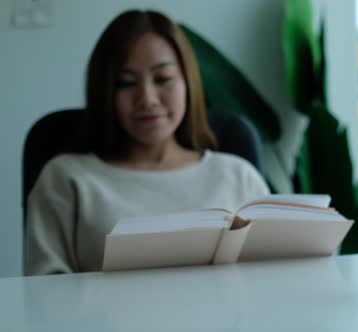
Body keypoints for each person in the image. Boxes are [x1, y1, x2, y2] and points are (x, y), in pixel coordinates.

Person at [25, 10, 270, 275]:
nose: (148, 98)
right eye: (126, 83)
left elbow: (267, 282)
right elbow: (43, 294)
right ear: (105, 91)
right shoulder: (67, 179)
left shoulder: (237, 176)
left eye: (163, 79)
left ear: (188, 82)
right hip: (101, 317)